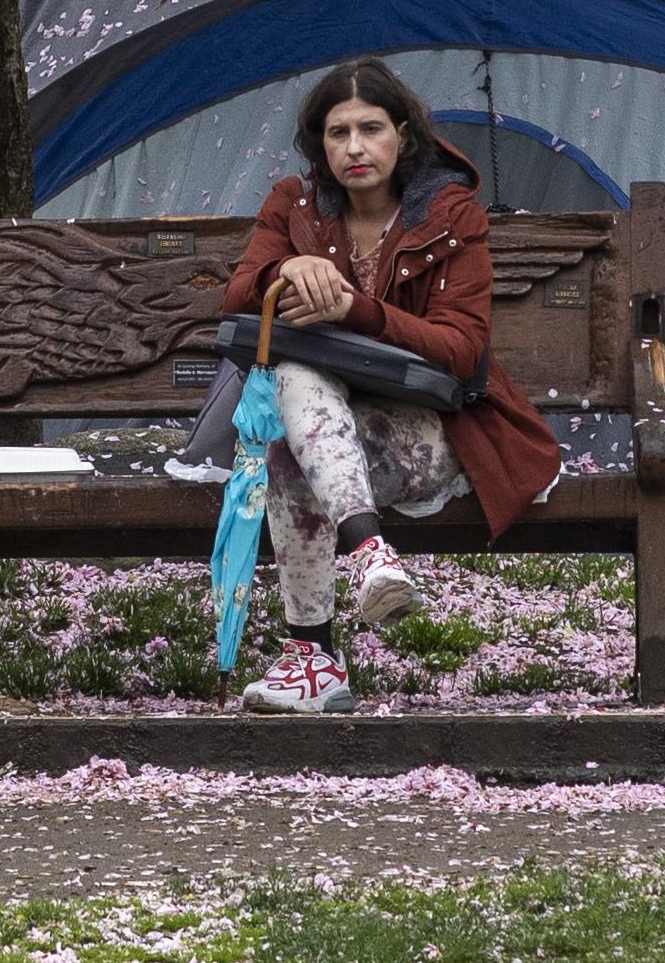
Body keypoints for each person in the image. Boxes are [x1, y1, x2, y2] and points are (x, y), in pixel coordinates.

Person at [216, 58, 564, 715]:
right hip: (327, 430)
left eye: (370, 128)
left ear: (402, 134)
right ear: (320, 143)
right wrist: (285, 269)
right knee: (291, 423)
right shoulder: (294, 206)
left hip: (435, 431)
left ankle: (315, 657)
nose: (353, 148)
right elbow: (237, 299)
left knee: (296, 442)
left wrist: (357, 311)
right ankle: (368, 559)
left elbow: (462, 350)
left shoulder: (450, 212)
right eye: (336, 132)